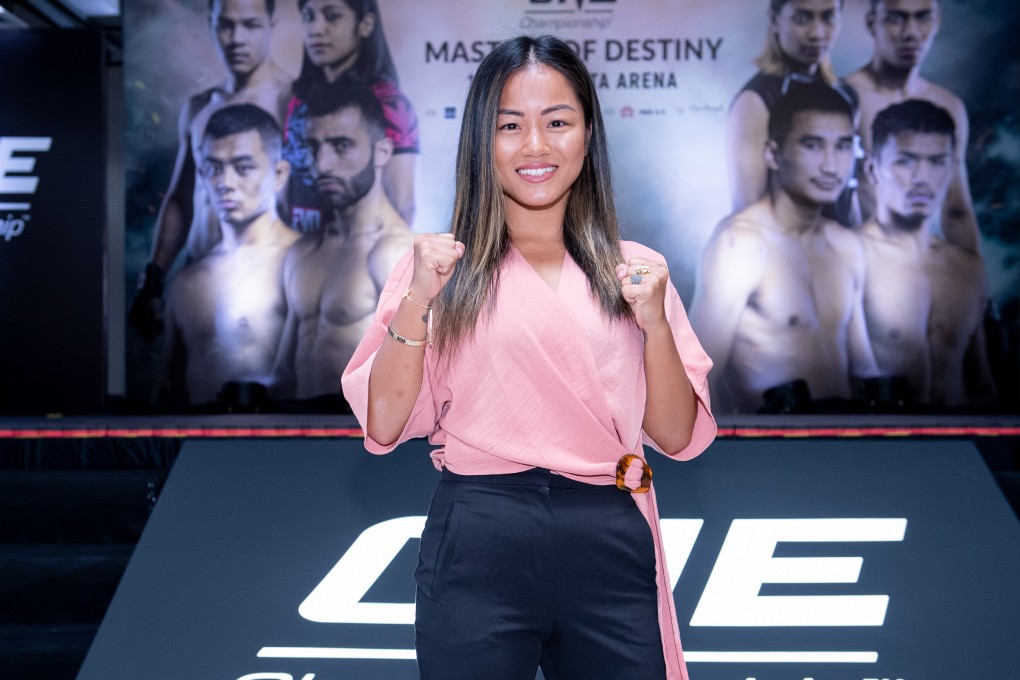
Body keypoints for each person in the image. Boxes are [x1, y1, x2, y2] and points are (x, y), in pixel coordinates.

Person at [341, 35, 715, 680]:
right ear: (481, 141)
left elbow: (677, 436)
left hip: (608, 535)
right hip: (481, 535)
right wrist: (416, 302)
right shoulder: (435, 268)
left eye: (557, 122)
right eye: (510, 125)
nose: (535, 146)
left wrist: (654, 325)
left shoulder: (638, 272)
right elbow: (384, 424)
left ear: (589, 134)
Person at [692, 85, 879, 414]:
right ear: (773, 154)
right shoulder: (740, 244)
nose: (831, 166)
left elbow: (863, 370)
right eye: (812, 145)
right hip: (766, 450)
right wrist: (732, 451)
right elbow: (695, 377)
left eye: (843, 146)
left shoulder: (846, 245)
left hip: (846, 446)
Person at [130, 0, 292, 341]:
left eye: (250, 25)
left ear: (271, 24)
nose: (236, 38)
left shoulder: (293, 101)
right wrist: (154, 279)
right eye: (226, 25)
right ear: (212, 25)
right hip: (202, 272)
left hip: (272, 281)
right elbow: (180, 197)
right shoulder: (200, 106)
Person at [272, 82, 413, 406]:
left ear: (382, 152)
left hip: (367, 446)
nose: (323, 164)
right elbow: (284, 375)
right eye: (312, 147)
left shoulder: (396, 254)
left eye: (341, 145)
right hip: (300, 437)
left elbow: (423, 380)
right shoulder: (303, 252)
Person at [157, 104, 299, 406]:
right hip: (202, 447)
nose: (225, 183)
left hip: (294, 445)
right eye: (214, 168)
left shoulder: (304, 264)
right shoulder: (187, 282)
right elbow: (170, 390)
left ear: (279, 174)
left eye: (243, 167)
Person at [843, 0, 980, 254]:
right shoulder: (844, 99)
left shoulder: (948, 105)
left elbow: (957, 210)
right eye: (896, 18)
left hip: (927, 268)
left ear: (937, 20)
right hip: (859, 264)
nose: (911, 33)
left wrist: (975, 282)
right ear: (872, 22)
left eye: (922, 17)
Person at [283, 0, 418, 233]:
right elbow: (284, 195)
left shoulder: (389, 105)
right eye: (308, 17)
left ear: (365, 24)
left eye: (332, 16)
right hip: (301, 248)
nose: (316, 28)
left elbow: (402, 207)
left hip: (357, 255)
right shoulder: (297, 101)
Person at [726, 0, 858, 221]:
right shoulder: (756, 100)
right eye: (802, 18)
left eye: (828, 17)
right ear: (776, 20)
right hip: (785, 250)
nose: (817, 33)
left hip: (838, 247)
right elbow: (747, 210)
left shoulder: (846, 94)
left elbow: (848, 194)